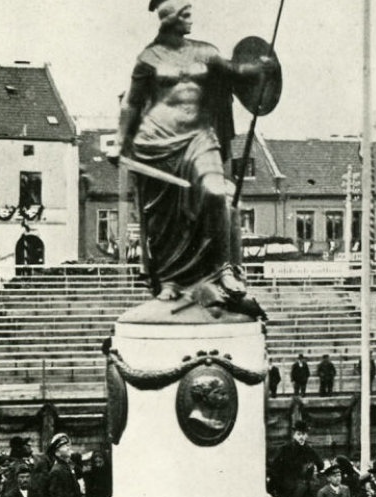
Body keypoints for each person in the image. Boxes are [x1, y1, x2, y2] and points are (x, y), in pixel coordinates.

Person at [110, 0, 277, 305]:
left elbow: (236, 72)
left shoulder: (206, 51)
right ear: (169, 18)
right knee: (165, 219)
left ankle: (223, 269)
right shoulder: (149, 57)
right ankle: (171, 279)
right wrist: (121, 141)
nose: (191, 19)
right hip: (156, 142)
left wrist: (262, 68)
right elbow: (132, 103)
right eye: (185, 14)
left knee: (215, 192)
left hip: (199, 137)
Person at [268, 421, 323, 497]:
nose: (302, 437)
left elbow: (320, 464)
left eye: (304, 434)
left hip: (305, 487)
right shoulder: (285, 449)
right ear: (294, 435)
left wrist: (312, 467)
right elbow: (275, 470)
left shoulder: (308, 450)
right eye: (299, 434)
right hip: (288, 488)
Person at [47, 433, 82, 497]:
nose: (68, 447)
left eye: (68, 445)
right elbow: (55, 495)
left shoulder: (66, 466)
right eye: (64, 446)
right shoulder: (57, 470)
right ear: (57, 452)